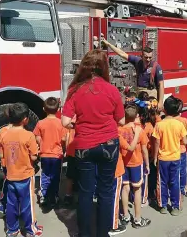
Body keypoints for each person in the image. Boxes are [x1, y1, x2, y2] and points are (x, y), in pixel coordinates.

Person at [61, 49, 125, 237]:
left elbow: (65, 122)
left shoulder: (75, 90)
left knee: (85, 192)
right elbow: (121, 121)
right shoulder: (111, 90)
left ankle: (85, 233)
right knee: (106, 191)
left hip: (84, 147)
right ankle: (103, 233)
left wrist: (77, 120)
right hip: (108, 145)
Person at [0, 103, 43, 237]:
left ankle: (12, 230)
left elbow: (2, 154)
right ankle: (30, 230)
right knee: (27, 204)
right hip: (25, 176)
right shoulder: (28, 135)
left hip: (11, 175)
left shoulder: (3, 133)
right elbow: (34, 157)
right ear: (25, 119)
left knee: (11, 204)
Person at [102, 39, 164, 111]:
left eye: (150, 57)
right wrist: (109, 44)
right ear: (141, 56)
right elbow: (122, 54)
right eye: (146, 57)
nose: (148, 59)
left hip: (151, 93)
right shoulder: (137, 61)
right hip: (140, 92)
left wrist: (160, 102)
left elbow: (161, 85)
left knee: (150, 115)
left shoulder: (156, 67)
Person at [153, 96, 187, 215]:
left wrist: (154, 157)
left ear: (165, 110)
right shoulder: (179, 124)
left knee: (162, 182)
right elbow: (185, 141)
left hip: (163, 158)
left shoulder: (159, 125)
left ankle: (163, 205)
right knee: (175, 182)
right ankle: (175, 207)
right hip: (175, 157)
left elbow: (157, 142)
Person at [119, 104, 151, 228]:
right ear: (136, 116)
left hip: (124, 163)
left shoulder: (120, 129)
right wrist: (147, 164)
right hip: (136, 163)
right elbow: (144, 150)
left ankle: (125, 215)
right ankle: (137, 219)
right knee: (137, 190)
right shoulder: (139, 130)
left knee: (125, 188)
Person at [33, 97, 67, 206]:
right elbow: (64, 139)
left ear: (44, 109)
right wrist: (64, 150)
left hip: (44, 154)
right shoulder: (60, 123)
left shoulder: (40, 123)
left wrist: (41, 144)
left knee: (45, 174)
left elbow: (37, 137)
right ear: (58, 109)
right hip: (57, 155)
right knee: (56, 176)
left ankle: (44, 195)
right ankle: (54, 196)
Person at [165, 95, 187, 211]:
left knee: (169, 176)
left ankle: (169, 195)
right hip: (181, 151)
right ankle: (181, 191)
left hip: (167, 153)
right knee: (181, 172)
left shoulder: (163, 121)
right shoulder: (183, 121)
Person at [109, 135, 129, 236]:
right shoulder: (117, 135)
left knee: (105, 198)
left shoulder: (99, 134)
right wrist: (137, 133)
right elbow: (130, 147)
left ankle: (104, 222)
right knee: (114, 199)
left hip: (103, 172)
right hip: (116, 171)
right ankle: (113, 226)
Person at [63, 116, 77, 207]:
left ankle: (68, 195)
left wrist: (66, 150)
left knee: (70, 175)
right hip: (83, 152)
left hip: (71, 152)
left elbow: (67, 137)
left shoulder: (71, 125)